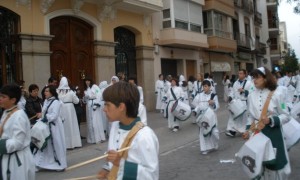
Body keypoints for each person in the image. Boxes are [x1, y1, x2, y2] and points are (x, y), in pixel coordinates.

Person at [97, 82, 159, 179]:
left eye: (107, 105)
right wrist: (107, 168)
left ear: (121, 107)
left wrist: (121, 164)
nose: (104, 109)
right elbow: (114, 155)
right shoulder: (115, 126)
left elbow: (151, 176)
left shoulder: (145, 136)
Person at [243, 67, 291, 179]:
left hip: (273, 134)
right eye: (253, 77)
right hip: (257, 134)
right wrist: (247, 131)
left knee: (274, 166)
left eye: (258, 77)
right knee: (258, 165)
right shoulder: (251, 95)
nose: (255, 80)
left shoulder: (278, 93)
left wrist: (271, 120)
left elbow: (286, 115)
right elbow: (250, 116)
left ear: (265, 78)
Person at [0, 84, 35, 180]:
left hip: (18, 161)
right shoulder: (6, 112)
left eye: (3, 97)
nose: (0, 99)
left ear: (13, 100)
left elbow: (18, 142)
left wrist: (2, 145)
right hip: (8, 157)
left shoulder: (19, 116)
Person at [34, 85, 67, 171]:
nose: (45, 93)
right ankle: (40, 163)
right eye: (45, 91)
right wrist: (41, 115)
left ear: (52, 92)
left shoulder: (56, 102)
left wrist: (44, 116)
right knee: (44, 144)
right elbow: (44, 112)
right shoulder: (46, 101)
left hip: (54, 126)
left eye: (47, 91)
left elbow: (54, 115)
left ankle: (59, 164)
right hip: (47, 125)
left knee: (56, 144)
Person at [192, 80, 219, 155]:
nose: (204, 88)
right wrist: (195, 111)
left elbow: (217, 107)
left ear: (210, 87)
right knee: (203, 132)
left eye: (206, 86)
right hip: (203, 117)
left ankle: (215, 143)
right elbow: (197, 105)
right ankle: (205, 148)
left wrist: (213, 104)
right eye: (203, 86)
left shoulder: (214, 95)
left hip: (211, 116)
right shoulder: (199, 95)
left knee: (215, 132)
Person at [225, 69, 252, 137]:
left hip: (244, 103)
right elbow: (232, 92)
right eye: (239, 73)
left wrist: (244, 91)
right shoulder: (235, 83)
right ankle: (232, 131)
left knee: (243, 119)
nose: (239, 75)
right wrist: (230, 97)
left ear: (244, 74)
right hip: (236, 103)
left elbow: (252, 93)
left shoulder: (249, 83)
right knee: (233, 116)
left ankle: (244, 130)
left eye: (241, 73)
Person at [57, 77, 82, 149]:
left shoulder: (57, 91)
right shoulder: (71, 92)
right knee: (71, 125)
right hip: (70, 108)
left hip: (61, 109)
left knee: (64, 126)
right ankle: (73, 143)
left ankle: (65, 144)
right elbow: (77, 101)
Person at [83, 78, 106, 144]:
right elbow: (86, 99)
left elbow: (99, 95)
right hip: (89, 106)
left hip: (94, 105)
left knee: (96, 122)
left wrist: (96, 104)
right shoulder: (87, 89)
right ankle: (92, 139)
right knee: (90, 122)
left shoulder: (95, 86)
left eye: (88, 80)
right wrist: (85, 98)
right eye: (86, 81)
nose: (87, 82)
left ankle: (99, 138)